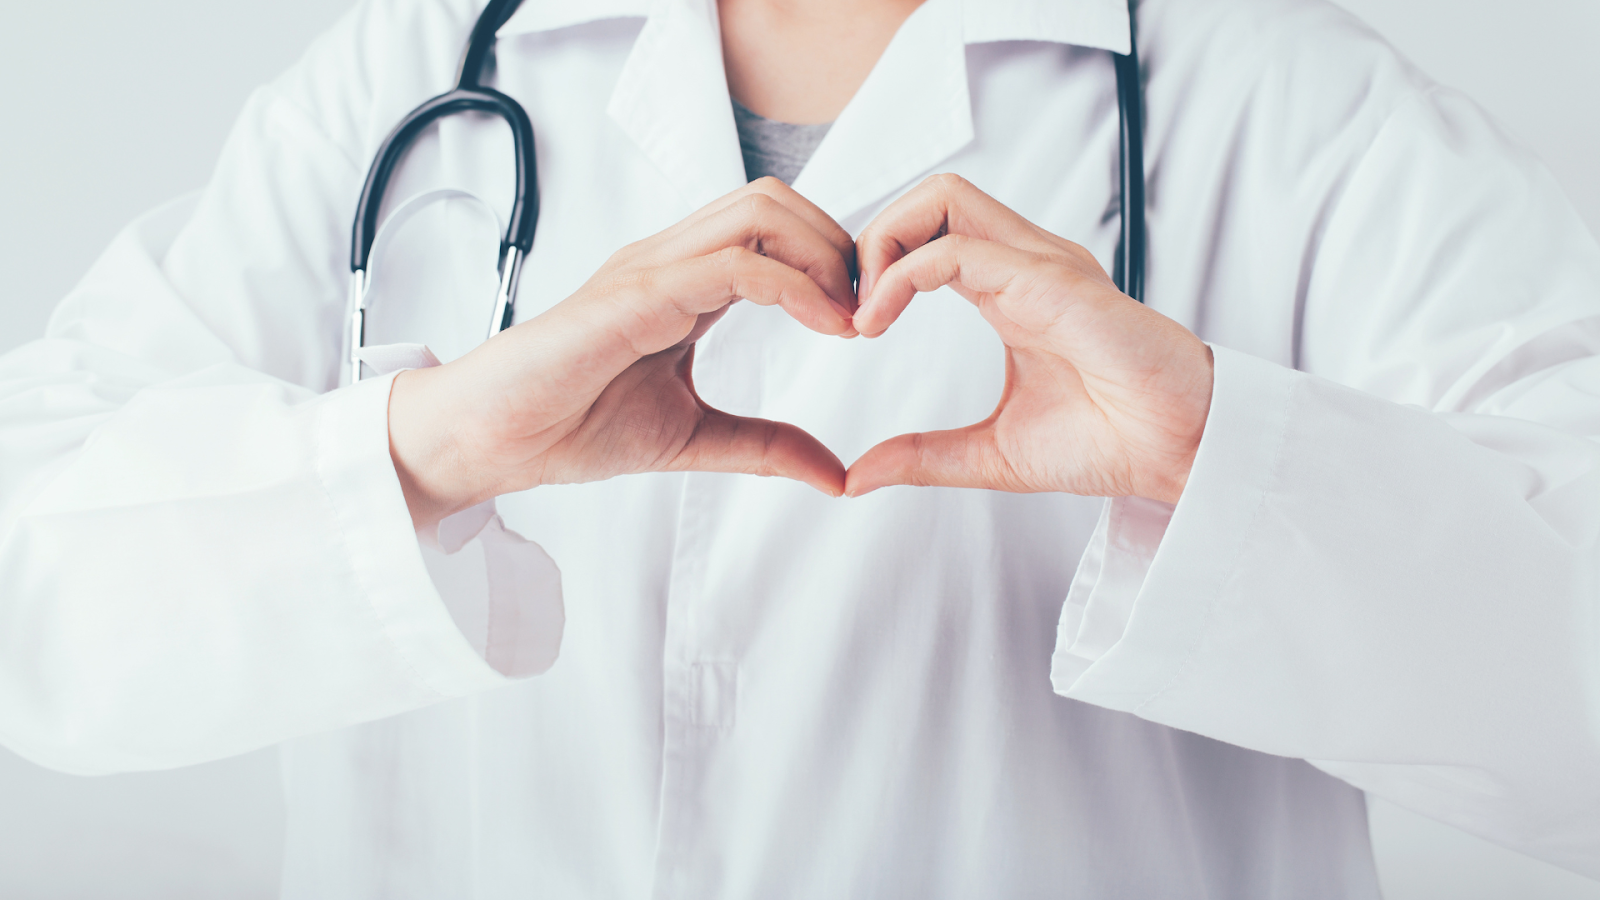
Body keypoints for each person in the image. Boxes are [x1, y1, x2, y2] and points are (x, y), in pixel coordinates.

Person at [2, 0, 1598, 894]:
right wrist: (427, 446)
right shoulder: (408, 77)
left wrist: (1230, 459)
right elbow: (31, 591)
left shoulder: (1293, 114)